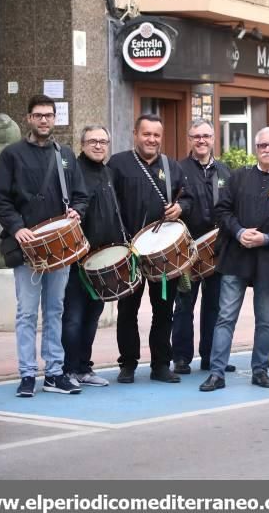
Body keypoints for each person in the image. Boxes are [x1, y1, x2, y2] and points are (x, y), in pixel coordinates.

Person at [0, 94, 89, 397]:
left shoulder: (65, 156)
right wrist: (17, 228)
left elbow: (81, 195)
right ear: (29, 119)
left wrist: (77, 211)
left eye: (49, 115)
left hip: (59, 248)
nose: (44, 120)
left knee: (55, 310)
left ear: (56, 118)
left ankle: (55, 372)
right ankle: (27, 374)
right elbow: (1, 199)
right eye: (38, 115)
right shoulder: (11, 154)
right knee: (26, 313)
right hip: (27, 247)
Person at [200, 127, 269, 392]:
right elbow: (222, 211)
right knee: (225, 316)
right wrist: (239, 232)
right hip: (236, 255)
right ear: (256, 149)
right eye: (262, 145)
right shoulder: (238, 178)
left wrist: (267, 238)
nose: (267, 150)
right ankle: (216, 372)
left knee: (266, 320)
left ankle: (260, 370)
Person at [107, 114, 192, 384]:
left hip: (162, 253)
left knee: (163, 310)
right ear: (135, 134)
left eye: (156, 135)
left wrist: (181, 207)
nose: (151, 139)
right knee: (127, 311)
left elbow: (187, 196)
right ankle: (128, 364)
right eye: (146, 134)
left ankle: (160, 365)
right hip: (128, 251)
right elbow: (109, 203)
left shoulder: (172, 166)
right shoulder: (118, 164)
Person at [61, 125, 122, 388]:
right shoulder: (73, 171)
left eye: (103, 141)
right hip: (78, 259)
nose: (98, 146)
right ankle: (68, 369)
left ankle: (84, 368)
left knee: (92, 316)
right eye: (93, 141)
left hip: (103, 260)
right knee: (73, 317)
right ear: (82, 144)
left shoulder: (108, 172)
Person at [171, 119, 233, 375]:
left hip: (218, 251)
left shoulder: (225, 171)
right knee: (184, 305)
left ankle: (211, 356)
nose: (201, 140)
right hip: (186, 252)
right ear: (190, 139)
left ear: (213, 138)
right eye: (196, 136)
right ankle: (182, 358)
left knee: (215, 307)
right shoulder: (178, 169)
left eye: (206, 136)